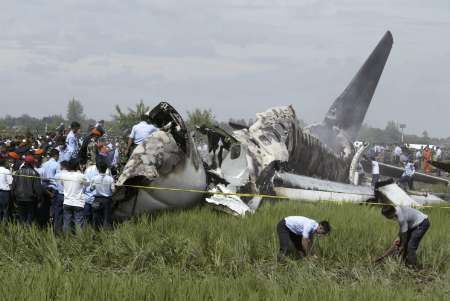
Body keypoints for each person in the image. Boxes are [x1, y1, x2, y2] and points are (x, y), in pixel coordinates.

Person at [11, 155, 45, 224]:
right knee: (30, 218)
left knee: (22, 218)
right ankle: (28, 232)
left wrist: (13, 198)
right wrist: (41, 199)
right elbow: (37, 188)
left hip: (19, 198)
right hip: (31, 199)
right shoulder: (35, 173)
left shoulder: (18, 172)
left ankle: (22, 232)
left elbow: (13, 186)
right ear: (32, 163)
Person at [60, 159, 87, 234]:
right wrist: (80, 171)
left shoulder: (64, 175)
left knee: (66, 223)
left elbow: (62, 183)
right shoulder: (81, 175)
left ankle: (66, 239)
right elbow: (87, 184)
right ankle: (79, 242)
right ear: (77, 166)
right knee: (78, 224)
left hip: (67, 201)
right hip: (78, 202)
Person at [90, 160, 115, 229]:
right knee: (106, 217)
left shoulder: (94, 178)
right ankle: (106, 234)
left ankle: (95, 232)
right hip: (107, 200)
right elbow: (113, 190)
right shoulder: (110, 179)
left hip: (96, 200)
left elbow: (91, 189)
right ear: (106, 168)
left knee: (96, 217)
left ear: (98, 169)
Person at [0, 156, 13, 221]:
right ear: (4, 163)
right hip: (4, 193)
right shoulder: (6, 171)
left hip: (3, 192)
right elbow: (11, 183)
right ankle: (4, 226)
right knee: (5, 211)